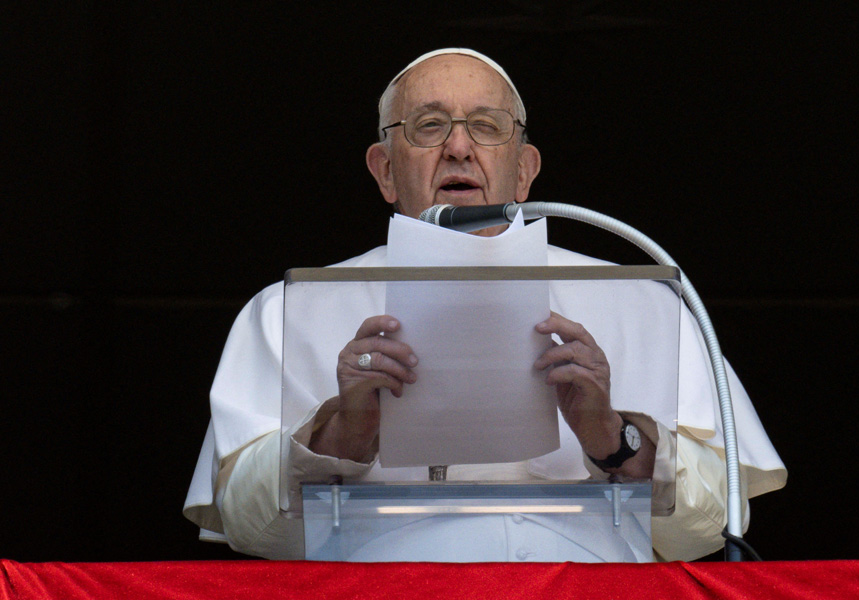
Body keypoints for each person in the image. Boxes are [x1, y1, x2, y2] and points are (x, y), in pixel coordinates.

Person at [184, 48, 787, 561]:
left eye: (487, 126)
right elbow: (246, 526)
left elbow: (713, 528)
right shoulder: (293, 306)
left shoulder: (639, 298)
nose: (458, 148)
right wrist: (341, 436)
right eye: (427, 126)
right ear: (384, 170)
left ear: (523, 171)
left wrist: (613, 437)